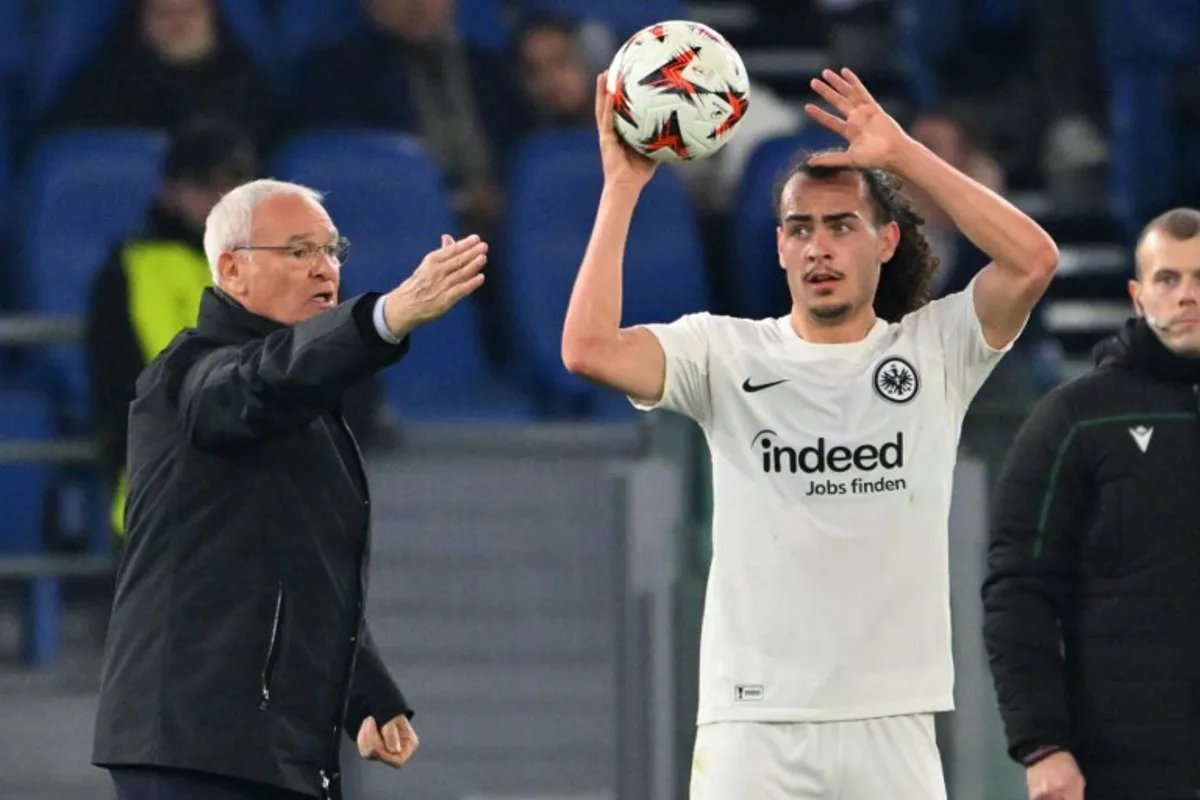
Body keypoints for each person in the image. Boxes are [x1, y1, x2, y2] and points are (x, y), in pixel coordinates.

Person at [562, 68, 1059, 798]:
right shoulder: (725, 354)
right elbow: (588, 350)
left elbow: (1034, 259)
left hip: (890, 718)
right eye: (800, 229)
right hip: (752, 723)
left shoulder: (933, 351)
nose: (819, 247)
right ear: (780, 250)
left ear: (887, 241)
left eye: (840, 226)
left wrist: (902, 157)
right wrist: (624, 186)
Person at [91, 178, 489, 800]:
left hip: (269, 751)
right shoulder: (193, 372)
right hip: (197, 748)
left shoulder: (306, 404)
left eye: (333, 251)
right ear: (232, 269)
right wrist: (384, 318)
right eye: (300, 251)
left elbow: (299, 561)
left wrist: (366, 693)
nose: (324, 268)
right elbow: (261, 380)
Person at [982, 207, 1200, 800]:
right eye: (1168, 279)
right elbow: (1017, 590)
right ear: (1137, 294)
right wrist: (1042, 745)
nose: (1187, 296)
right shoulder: (1076, 418)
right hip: (1122, 767)